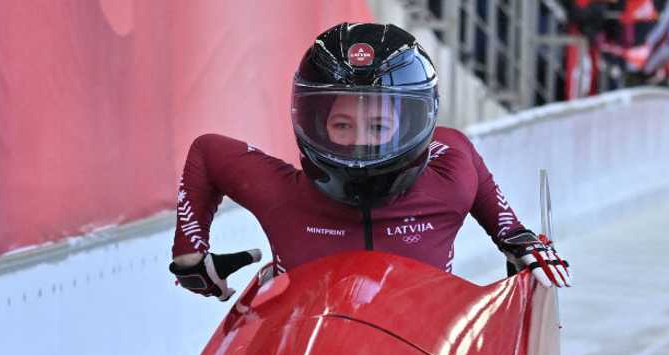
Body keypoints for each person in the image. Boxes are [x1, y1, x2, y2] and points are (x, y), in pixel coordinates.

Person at [169, 22, 570, 302]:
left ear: (411, 125)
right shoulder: (281, 196)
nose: (360, 143)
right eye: (342, 125)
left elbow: (462, 154)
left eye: (378, 127)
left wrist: (515, 236)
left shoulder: (449, 175)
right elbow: (208, 152)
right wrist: (191, 256)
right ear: (314, 124)